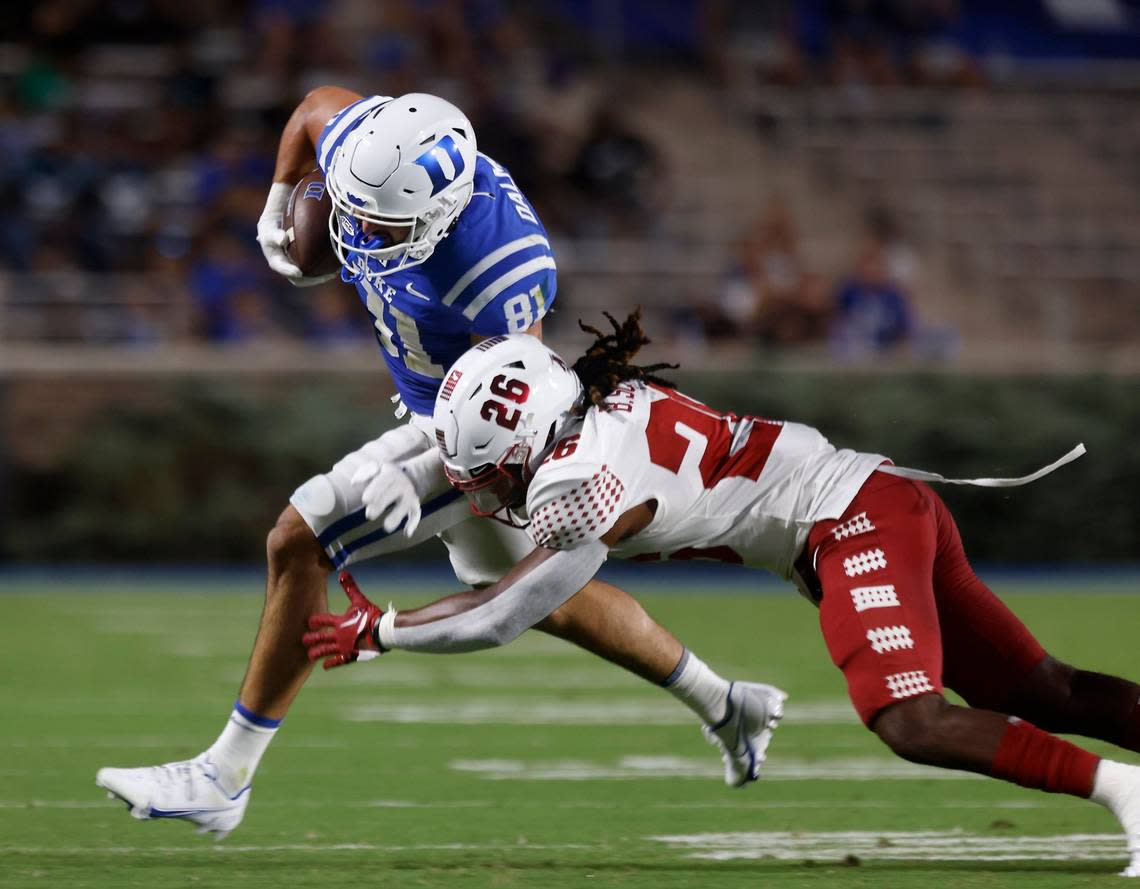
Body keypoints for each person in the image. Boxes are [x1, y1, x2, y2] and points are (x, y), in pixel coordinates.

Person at [95, 90, 781, 838]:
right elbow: (315, 108)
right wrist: (278, 200)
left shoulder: (501, 277)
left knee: (300, 537)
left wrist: (422, 469)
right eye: (352, 208)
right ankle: (725, 701)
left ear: (438, 215)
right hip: (440, 408)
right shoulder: (374, 148)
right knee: (535, 593)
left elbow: (511, 416)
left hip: (474, 433)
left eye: (377, 222)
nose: (354, 229)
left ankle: (222, 776)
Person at [304, 312, 1140, 878]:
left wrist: (383, 631)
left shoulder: (578, 483)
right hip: (876, 501)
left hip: (847, 523)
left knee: (910, 719)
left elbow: (504, 611)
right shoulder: (589, 401)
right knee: (1035, 690)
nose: (486, 491)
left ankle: (1123, 792)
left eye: (490, 473)